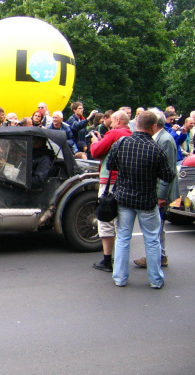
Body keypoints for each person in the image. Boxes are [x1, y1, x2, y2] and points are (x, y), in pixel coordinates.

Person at [107, 111, 175, 289]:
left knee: (122, 237)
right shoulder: (156, 149)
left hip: (124, 198)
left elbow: (110, 165)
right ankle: (155, 280)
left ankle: (120, 278)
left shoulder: (121, 143)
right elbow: (168, 175)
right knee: (152, 239)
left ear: (136, 123)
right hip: (147, 201)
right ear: (153, 127)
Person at [133, 108, 179, 269]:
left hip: (161, 192)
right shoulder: (161, 138)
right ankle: (160, 256)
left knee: (156, 226)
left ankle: (156, 257)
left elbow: (168, 171)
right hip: (159, 190)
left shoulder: (165, 140)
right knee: (158, 226)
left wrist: (161, 196)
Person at [89, 110, 132, 272]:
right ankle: (121, 260)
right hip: (126, 181)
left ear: (119, 121)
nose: (111, 125)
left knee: (106, 219)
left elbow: (96, 152)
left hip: (110, 183)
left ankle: (107, 260)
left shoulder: (114, 133)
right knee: (122, 221)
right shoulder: (130, 134)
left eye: (113, 122)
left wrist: (95, 142)